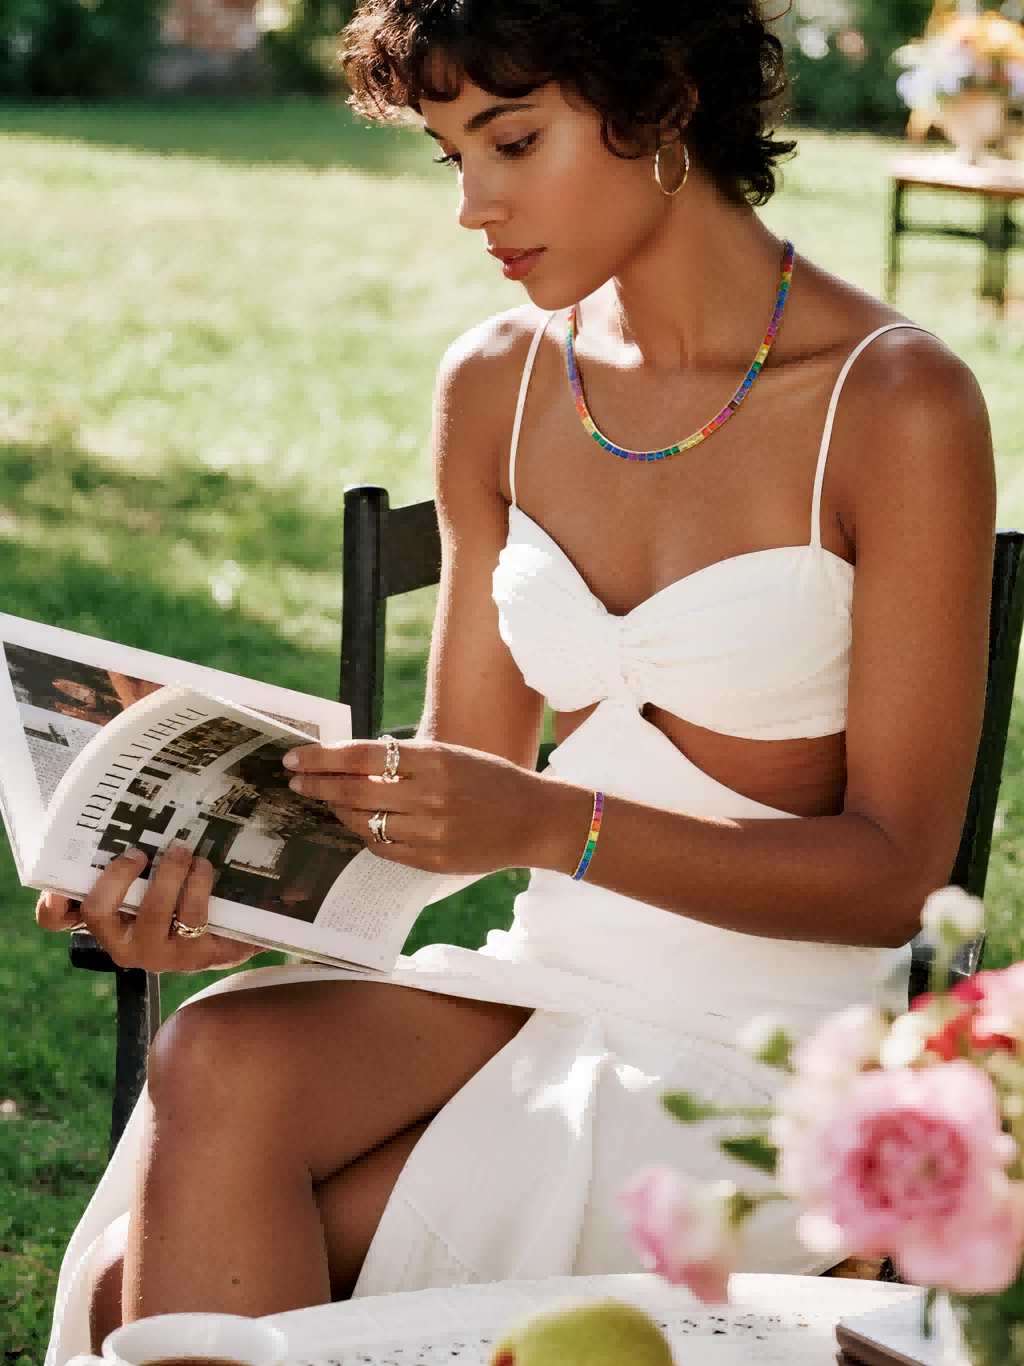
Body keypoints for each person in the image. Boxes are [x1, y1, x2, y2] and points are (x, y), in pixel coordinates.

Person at [41, 1, 996, 1360]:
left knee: (187, 1255)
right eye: (450, 156)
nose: (474, 204)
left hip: (773, 1053)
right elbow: (450, 791)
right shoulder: (496, 383)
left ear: (662, 103)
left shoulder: (895, 402)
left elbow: (896, 872)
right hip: (540, 981)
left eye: (513, 139)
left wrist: (557, 825)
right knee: (218, 1050)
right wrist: (244, 907)